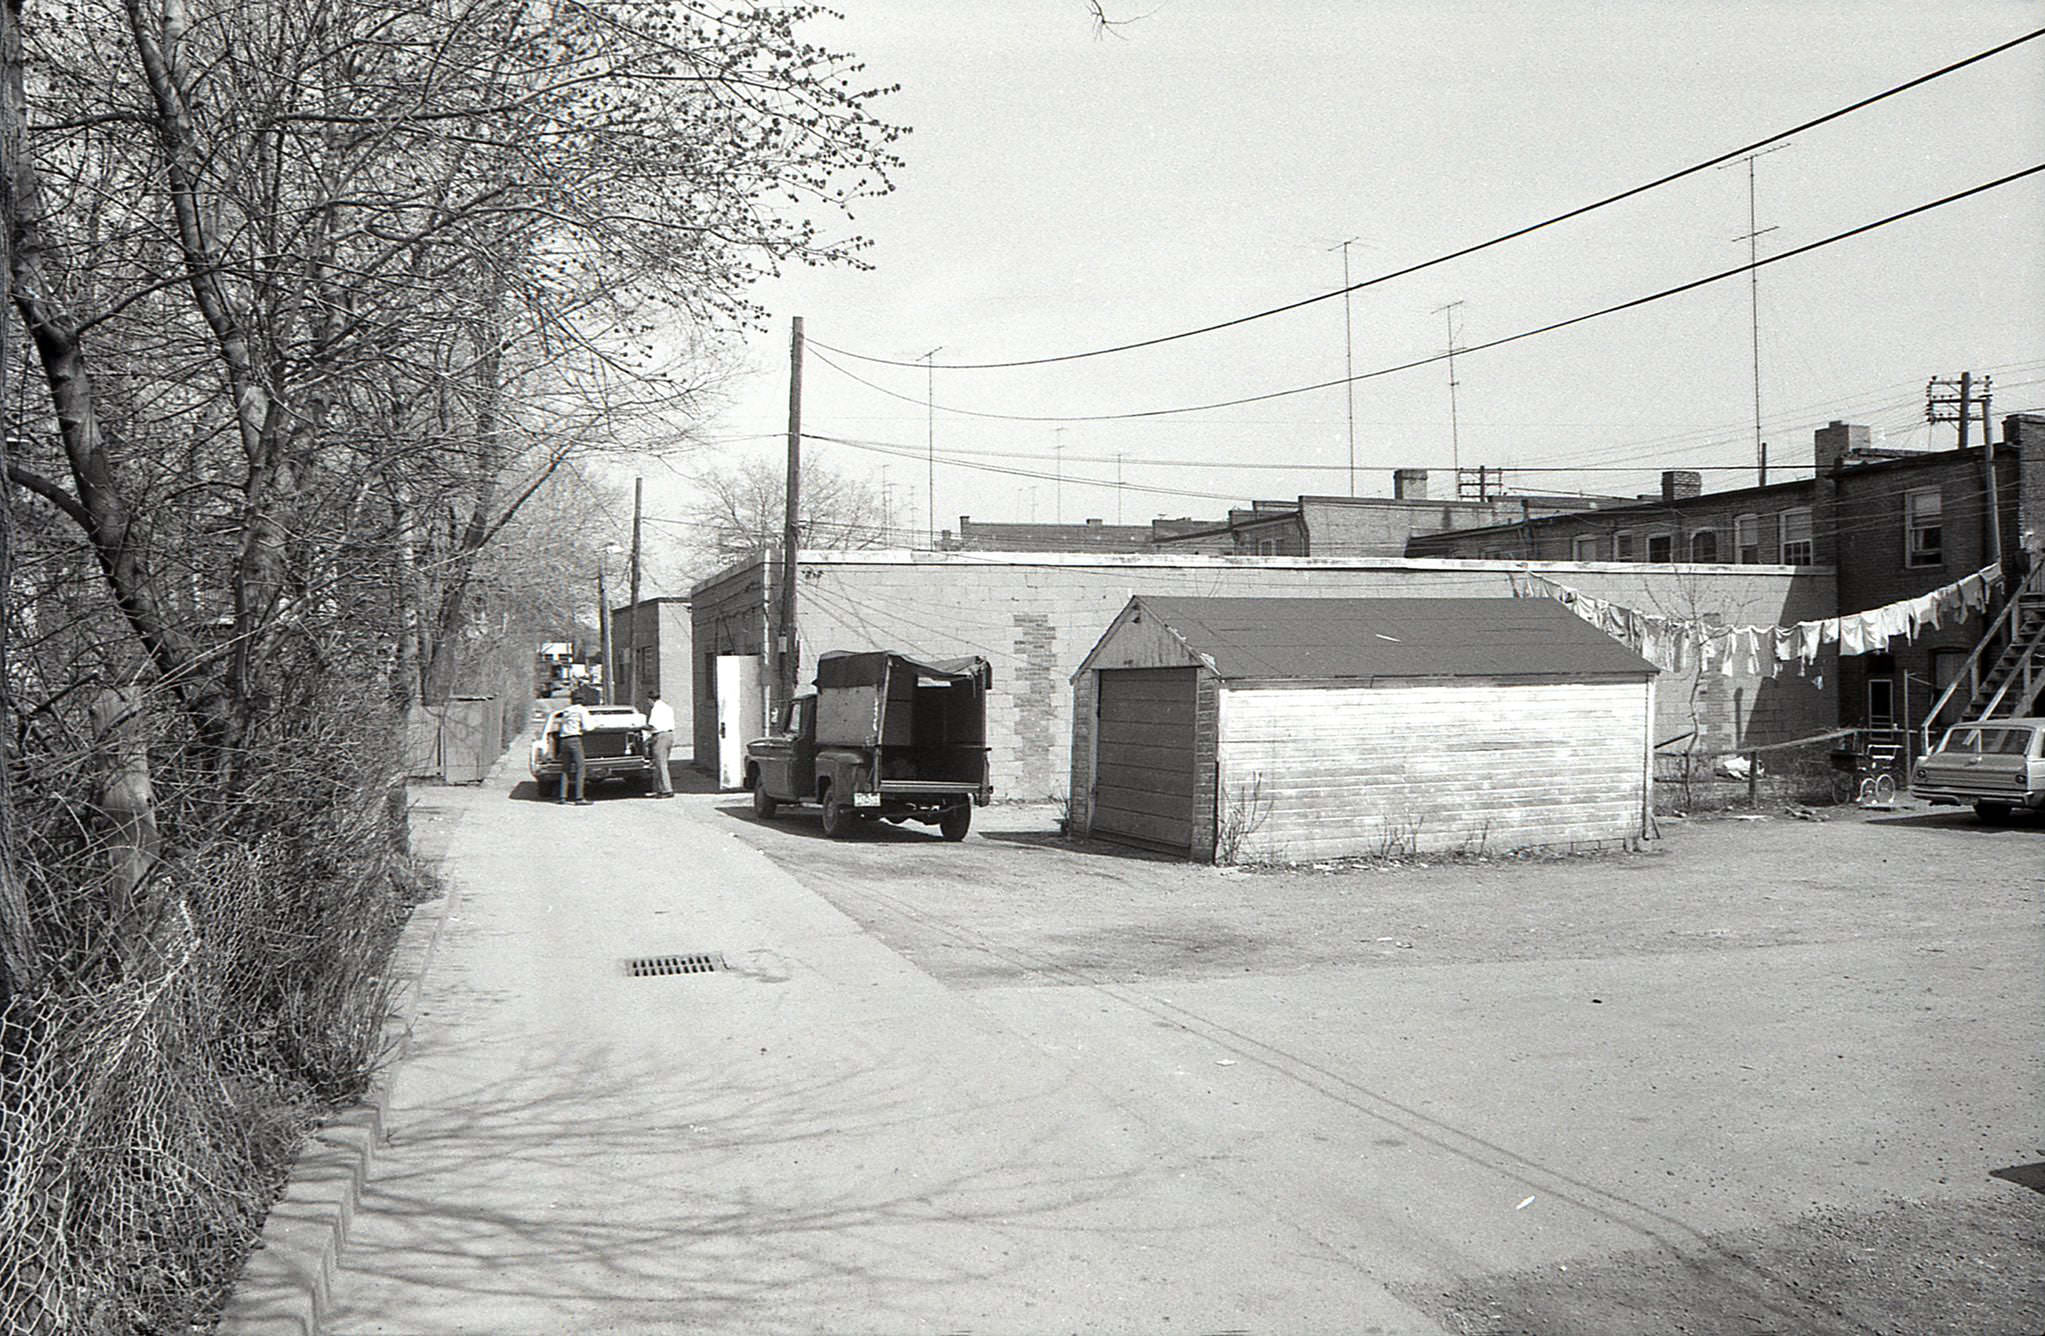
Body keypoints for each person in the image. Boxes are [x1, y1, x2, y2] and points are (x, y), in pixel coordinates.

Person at [555, 694, 592, 805]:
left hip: (563, 740)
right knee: (580, 768)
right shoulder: (581, 710)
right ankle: (579, 798)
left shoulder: (566, 711)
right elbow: (588, 727)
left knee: (565, 769)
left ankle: (562, 796)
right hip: (574, 739)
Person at [643, 691, 676, 797]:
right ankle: (659, 789)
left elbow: (652, 726)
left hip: (660, 736)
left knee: (661, 764)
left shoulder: (656, 709)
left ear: (650, 700)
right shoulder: (667, 707)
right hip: (669, 735)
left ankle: (667, 790)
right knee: (661, 763)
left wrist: (641, 726)